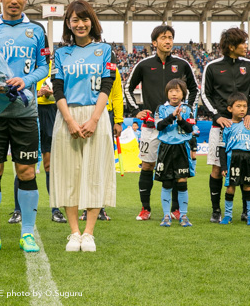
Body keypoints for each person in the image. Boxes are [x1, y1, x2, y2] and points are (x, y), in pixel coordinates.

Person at [0, 0, 49, 253]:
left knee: (26, 171)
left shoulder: (37, 30)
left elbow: (44, 66)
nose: (15, 0)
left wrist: (26, 79)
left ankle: (27, 233)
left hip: (26, 114)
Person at [50, 0, 116, 252]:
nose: (80, 24)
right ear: (68, 24)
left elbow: (106, 86)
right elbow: (57, 88)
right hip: (67, 116)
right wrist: (69, 120)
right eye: (74, 20)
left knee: (94, 172)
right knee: (69, 173)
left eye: (84, 19)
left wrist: (94, 119)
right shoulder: (61, 53)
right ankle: (74, 232)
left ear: (92, 21)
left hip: (95, 116)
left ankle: (89, 233)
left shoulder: (105, 50)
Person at [124, 25, 198, 221]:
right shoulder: (144, 65)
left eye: (171, 37)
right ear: (154, 42)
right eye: (164, 38)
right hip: (151, 127)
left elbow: (194, 89)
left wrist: (188, 109)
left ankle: (175, 210)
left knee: (176, 169)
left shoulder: (182, 64)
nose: (168, 41)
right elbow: (127, 88)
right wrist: (135, 111)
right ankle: (145, 208)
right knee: (147, 166)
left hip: (176, 128)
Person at [202, 28, 250, 223]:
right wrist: (217, 116)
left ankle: (245, 211)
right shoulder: (212, 67)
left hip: (245, 127)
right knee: (217, 169)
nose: (246, 46)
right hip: (220, 127)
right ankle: (216, 210)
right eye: (243, 43)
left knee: (246, 166)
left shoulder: (249, 65)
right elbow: (205, 95)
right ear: (231, 46)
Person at [80, 66, 123, 222]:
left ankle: (100, 207)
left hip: (106, 114)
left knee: (101, 163)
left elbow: (117, 95)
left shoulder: (112, 70)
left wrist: (118, 120)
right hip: (84, 111)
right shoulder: (85, 66)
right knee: (84, 161)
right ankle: (85, 207)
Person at [155, 79, 194, 227]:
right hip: (165, 148)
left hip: (181, 148)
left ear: (183, 93)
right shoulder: (161, 108)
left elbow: (190, 129)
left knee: (182, 181)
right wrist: (171, 116)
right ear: (167, 93)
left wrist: (179, 119)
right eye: (171, 91)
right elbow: (159, 126)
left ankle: (183, 215)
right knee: (167, 182)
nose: (174, 94)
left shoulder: (188, 109)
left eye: (177, 91)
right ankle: (166, 216)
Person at [218, 93, 250, 225]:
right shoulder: (226, 126)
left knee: (248, 187)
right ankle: (228, 215)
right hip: (233, 159)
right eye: (238, 106)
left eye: (245, 106)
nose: (242, 109)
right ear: (230, 109)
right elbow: (221, 148)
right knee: (230, 187)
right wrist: (224, 166)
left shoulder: (249, 125)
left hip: (248, 158)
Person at [36, 62, 67, 223]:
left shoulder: (54, 66)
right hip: (29, 112)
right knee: (23, 164)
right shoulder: (23, 61)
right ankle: (18, 210)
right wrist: (36, 93)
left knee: (50, 165)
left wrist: (51, 93)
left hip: (50, 113)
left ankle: (55, 209)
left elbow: (65, 91)